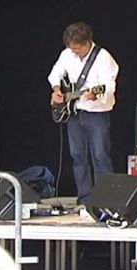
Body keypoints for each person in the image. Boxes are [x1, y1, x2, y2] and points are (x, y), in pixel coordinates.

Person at [48, 22, 119, 204]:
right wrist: (57, 90)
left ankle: (106, 199)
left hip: (96, 114)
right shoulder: (67, 54)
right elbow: (55, 73)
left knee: (100, 156)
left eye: (78, 49)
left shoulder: (103, 58)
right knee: (78, 157)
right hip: (74, 113)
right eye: (72, 49)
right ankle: (85, 198)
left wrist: (96, 94)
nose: (74, 52)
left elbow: (108, 85)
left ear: (88, 42)